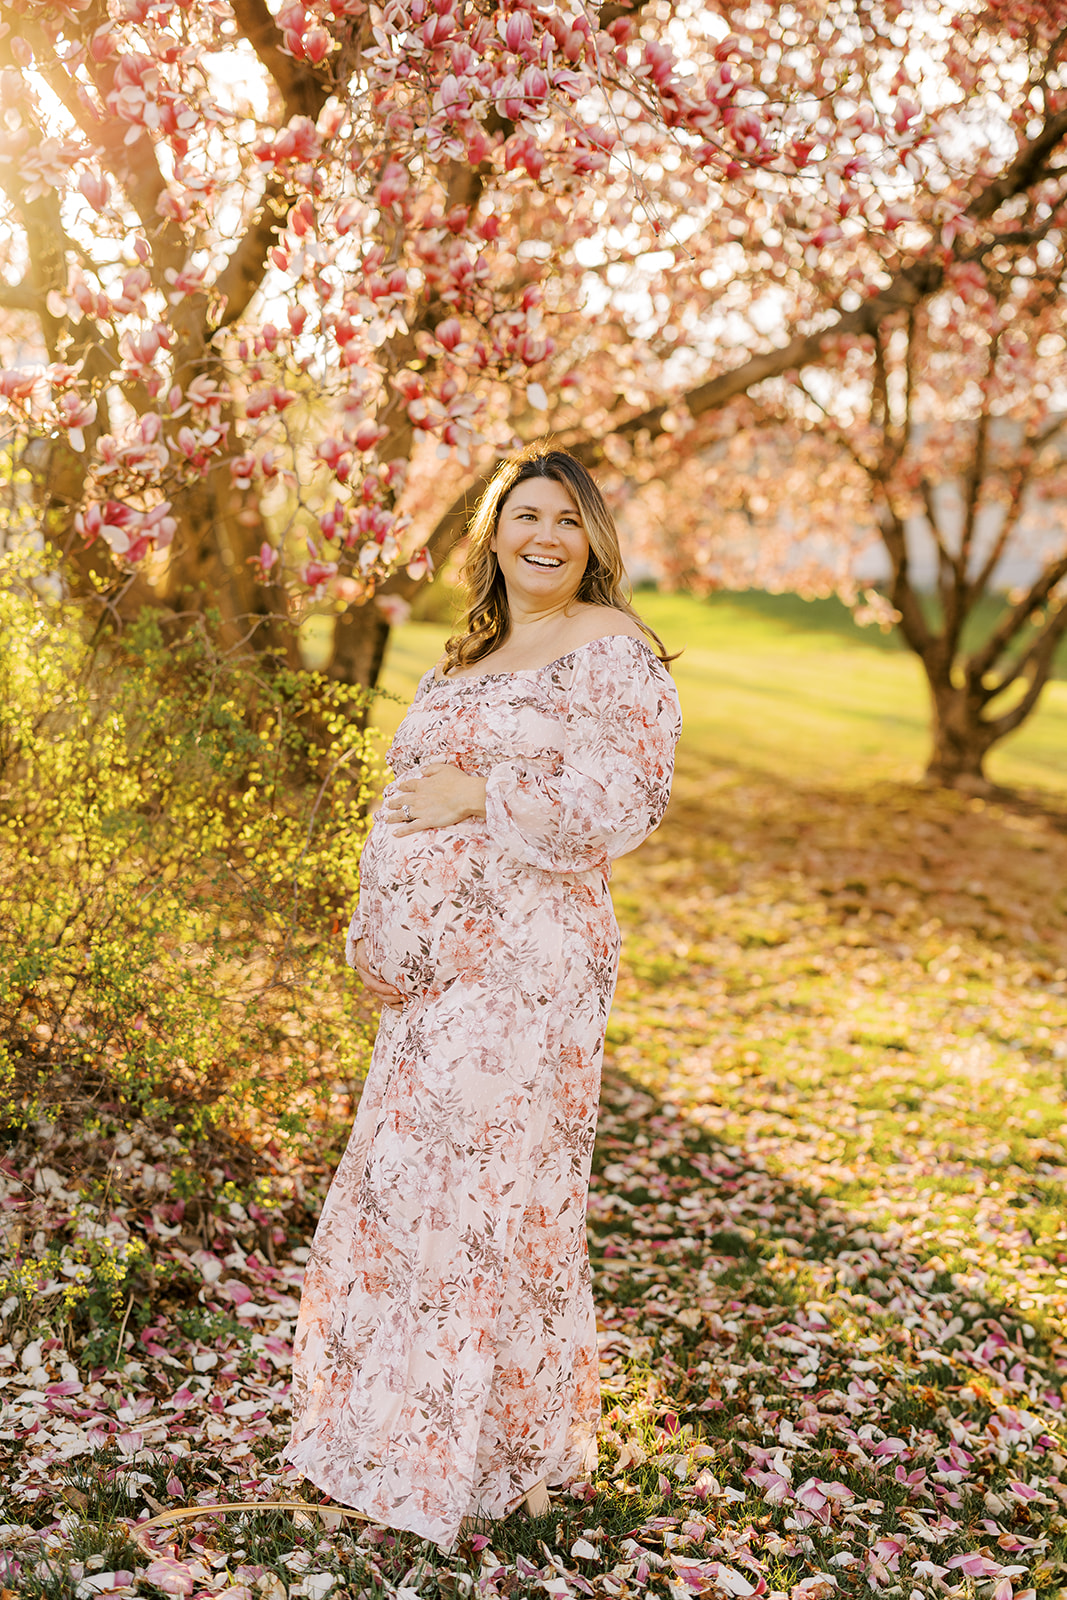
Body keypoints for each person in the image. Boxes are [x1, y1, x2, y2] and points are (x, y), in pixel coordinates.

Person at [284, 445, 682, 1549]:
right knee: (404, 1190)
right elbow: (401, 800)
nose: (544, 537)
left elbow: (625, 800)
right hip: (430, 979)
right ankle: (393, 1435)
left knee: (488, 1198)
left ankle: (499, 1454)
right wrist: (381, 931)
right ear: (495, 534)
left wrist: (480, 792)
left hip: (527, 972)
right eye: (525, 516)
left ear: (592, 538)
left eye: (565, 519)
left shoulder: (611, 651)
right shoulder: (467, 654)